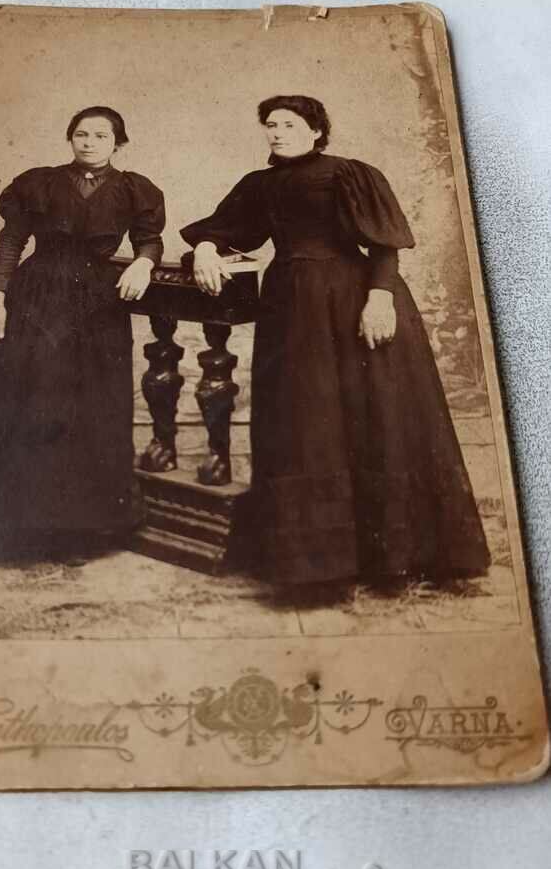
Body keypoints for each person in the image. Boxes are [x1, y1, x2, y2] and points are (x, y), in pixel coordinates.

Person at [180, 94, 490, 587]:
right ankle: (317, 563)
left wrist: (380, 299)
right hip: (290, 309)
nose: (276, 132)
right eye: (270, 124)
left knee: (373, 414)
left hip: (354, 300)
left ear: (317, 131)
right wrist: (204, 248)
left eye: (288, 124)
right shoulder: (260, 185)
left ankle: (391, 558)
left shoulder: (349, 173)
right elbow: (228, 230)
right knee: (304, 420)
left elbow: (384, 247)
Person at [0, 105, 164, 559]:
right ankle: (21, 524)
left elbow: (150, 238)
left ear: (117, 144)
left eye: (100, 136)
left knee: (90, 411)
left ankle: (79, 529)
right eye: (81, 134)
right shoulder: (39, 183)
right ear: (70, 139)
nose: (89, 142)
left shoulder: (134, 189)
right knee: (31, 405)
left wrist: (144, 261)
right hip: (37, 299)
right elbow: (12, 241)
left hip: (97, 308)